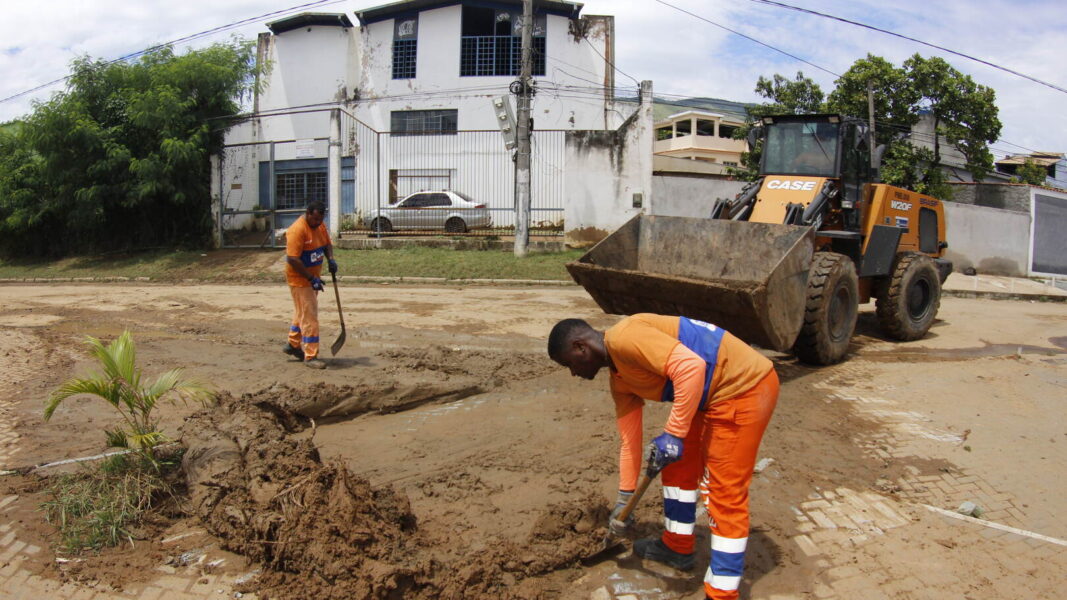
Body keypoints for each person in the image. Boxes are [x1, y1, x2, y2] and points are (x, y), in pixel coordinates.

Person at [547, 314, 779, 600]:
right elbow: (629, 443)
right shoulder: (620, 380)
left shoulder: (625, 336)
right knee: (676, 468)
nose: (573, 373)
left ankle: (722, 592)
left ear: (580, 347)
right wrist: (625, 496)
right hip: (707, 396)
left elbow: (691, 367)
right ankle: (677, 547)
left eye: (568, 364)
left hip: (743, 387)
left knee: (722, 492)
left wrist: (674, 434)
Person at [283, 200, 336, 369]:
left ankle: (292, 343)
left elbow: (327, 244)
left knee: (303, 312)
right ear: (308, 214)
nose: (317, 223)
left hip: (313, 277)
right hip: (299, 279)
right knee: (310, 316)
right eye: (314, 220)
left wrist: (331, 260)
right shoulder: (297, 230)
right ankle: (311, 356)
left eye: (320, 220)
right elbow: (292, 259)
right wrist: (310, 278)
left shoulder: (320, 226)